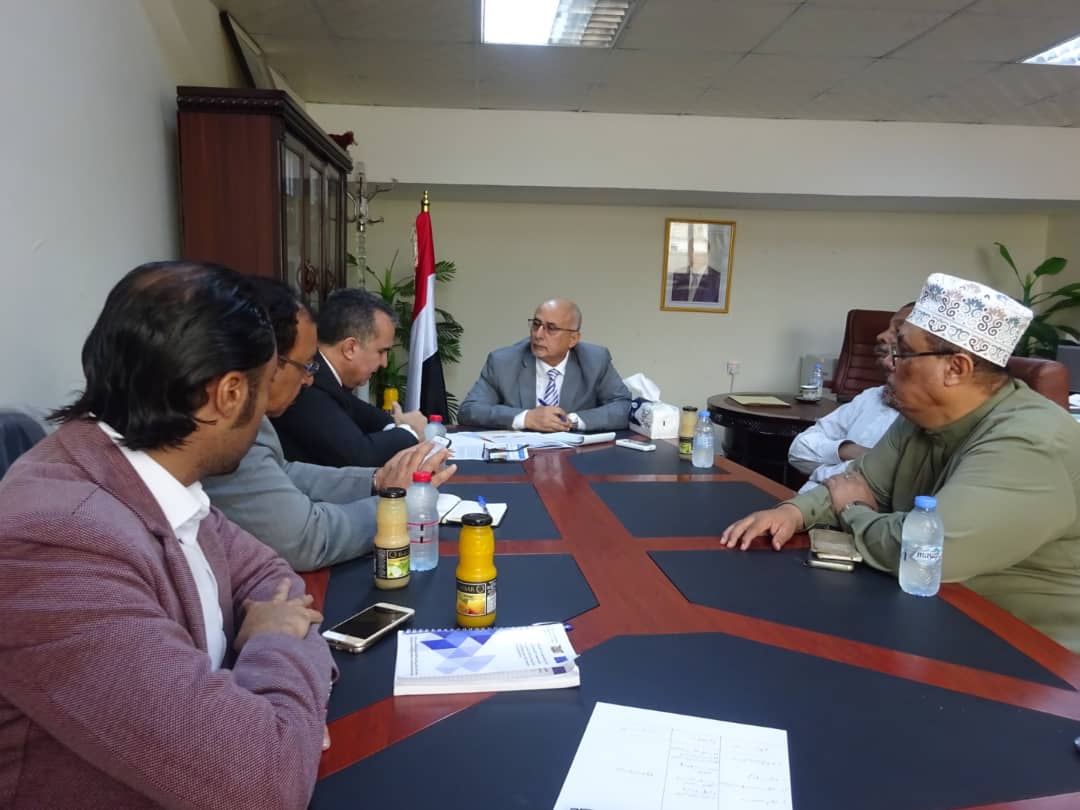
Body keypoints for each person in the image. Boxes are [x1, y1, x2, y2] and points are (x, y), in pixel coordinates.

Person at [0, 262, 333, 809]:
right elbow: (264, 783)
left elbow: (275, 579)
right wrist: (274, 643)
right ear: (229, 394)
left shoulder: (153, 478)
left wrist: (278, 694)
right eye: (265, 382)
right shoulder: (55, 544)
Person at [722, 273, 1080, 653]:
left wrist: (854, 511)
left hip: (1027, 650)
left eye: (903, 353)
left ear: (956, 369)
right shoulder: (921, 415)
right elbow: (859, 479)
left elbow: (927, 554)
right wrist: (792, 513)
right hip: (933, 615)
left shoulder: (1031, 442)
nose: (888, 364)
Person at [203, 278, 455, 572]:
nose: (309, 379)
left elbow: (284, 471)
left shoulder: (253, 418)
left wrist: (377, 480)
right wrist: (396, 504)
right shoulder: (225, 432)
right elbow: (306, 539)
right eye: (305, 365)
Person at [272, 288, 425, 467]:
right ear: (350, 348)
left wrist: (397, 425)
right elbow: (359, 456)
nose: (384, 363)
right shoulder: (306, 382)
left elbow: (368, 416)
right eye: (381, 351)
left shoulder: (329, 378)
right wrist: (410, 431)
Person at [787, 303, 914, 493]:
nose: (881, 335)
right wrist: (846, 450)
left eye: (898, 330)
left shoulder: (925, 421)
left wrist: (828, 465)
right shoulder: (872, 397)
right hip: (803, 501)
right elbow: (798, 450)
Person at [459, 297, 631, 432]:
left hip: (576, 456)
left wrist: (571, 421)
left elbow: (624, 407)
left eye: (551, 328)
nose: (538, 335)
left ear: (573, 339)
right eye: (536, 324)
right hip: (521, 456)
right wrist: (526, 418)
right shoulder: (503, 362)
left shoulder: (595, 360)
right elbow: (470, 410)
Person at [669, 224, 729, 304]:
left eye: (696, 250)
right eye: (690, 249)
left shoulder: (717, 280)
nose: (691, 253)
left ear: (707, 253)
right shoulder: (677, 275)